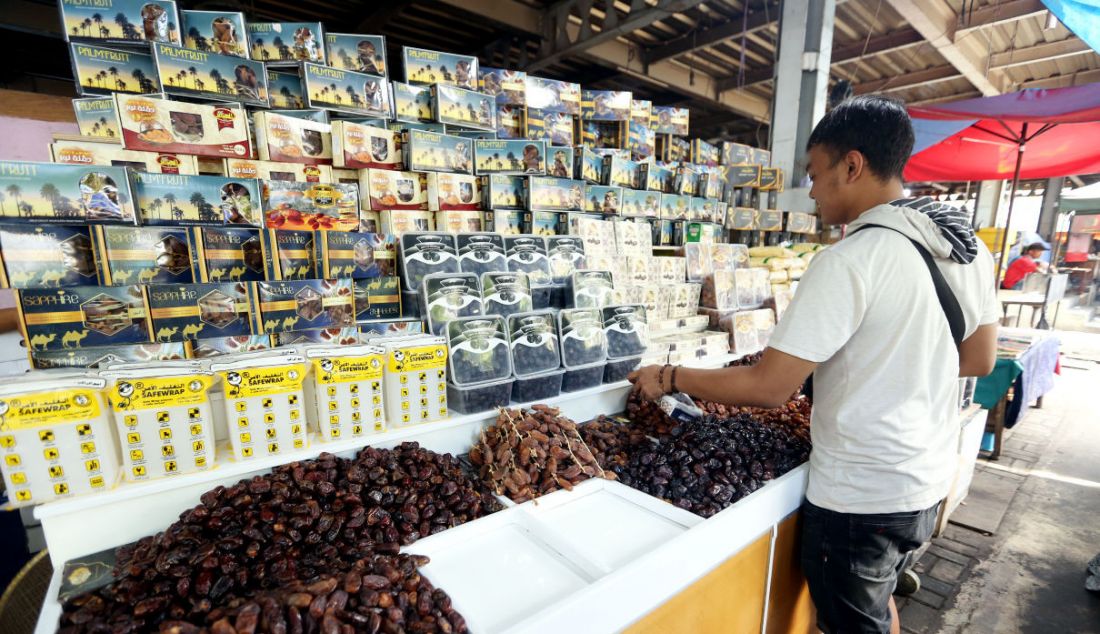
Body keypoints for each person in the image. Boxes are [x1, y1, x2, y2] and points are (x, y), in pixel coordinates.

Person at [629, 95, 1000, 634]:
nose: (810, 189)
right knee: (876, 601)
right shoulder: (964, 248)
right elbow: (979, 359)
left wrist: (667, 378)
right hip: (924, 475)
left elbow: (769, 386)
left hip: (860, 492)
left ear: (851, 165)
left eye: (814, 172)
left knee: (853, 621)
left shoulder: (850, 260)